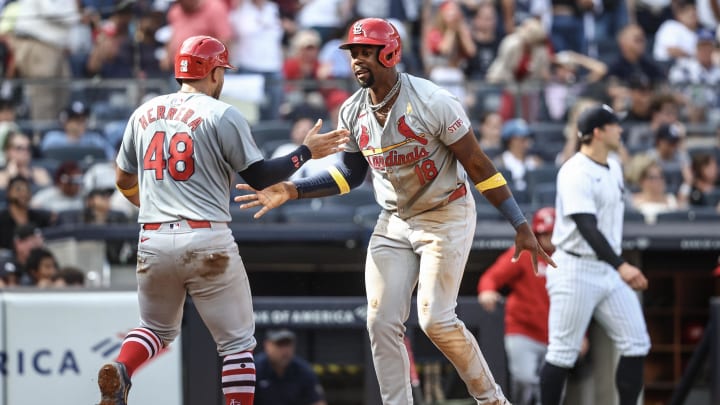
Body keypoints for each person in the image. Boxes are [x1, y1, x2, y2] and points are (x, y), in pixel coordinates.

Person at [235, 18, 554, 405]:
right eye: (353, 53)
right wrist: (292, 188)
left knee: (436, 319)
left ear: (390, 53)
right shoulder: (352, 111)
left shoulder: (432, 100)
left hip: (445, 213)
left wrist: (519, 223)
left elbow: (479, 165)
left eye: (366, 51)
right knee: (380, 321)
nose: (357, 60)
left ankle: (492, 400)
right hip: (395, 220)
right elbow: (351, 176)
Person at [96, 35, 348, 405]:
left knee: (154, 330)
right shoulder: (222, 113)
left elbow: (122, 179)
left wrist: (148, 205)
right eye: (221, 71)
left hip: (152, 237)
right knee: (238, 346)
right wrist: (305, 152)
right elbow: (261, 177)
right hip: (206, 238)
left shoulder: (143, 113)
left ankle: (122, 368)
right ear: (213, 72)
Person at [539, 104, 651, 405]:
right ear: (599, 132)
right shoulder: (574, 170)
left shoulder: (613, 165)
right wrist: (622, 266)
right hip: (575, 268)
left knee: (636, 343)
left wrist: (616, 266)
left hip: (607, 269)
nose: (621, 130)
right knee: (562, 353)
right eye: (615, 125)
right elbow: (586, 226)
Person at [477, 207, 556, 405]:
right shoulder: (524, 253)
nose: (548, 237)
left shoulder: (569, 257)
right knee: (525, 379)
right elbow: (491, 277)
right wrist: (487, 290)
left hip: (557, 335)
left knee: (553, 386)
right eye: (543, 233)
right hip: (523, 330)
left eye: (552, 232)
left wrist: (583, 335)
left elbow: (581, 301)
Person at [254, 329, 327, 405]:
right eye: (280, 344)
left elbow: (317, 401)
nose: (285, 350)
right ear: (267, 345)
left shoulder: (304, 370)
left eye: (288, 344)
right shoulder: (255, 369)